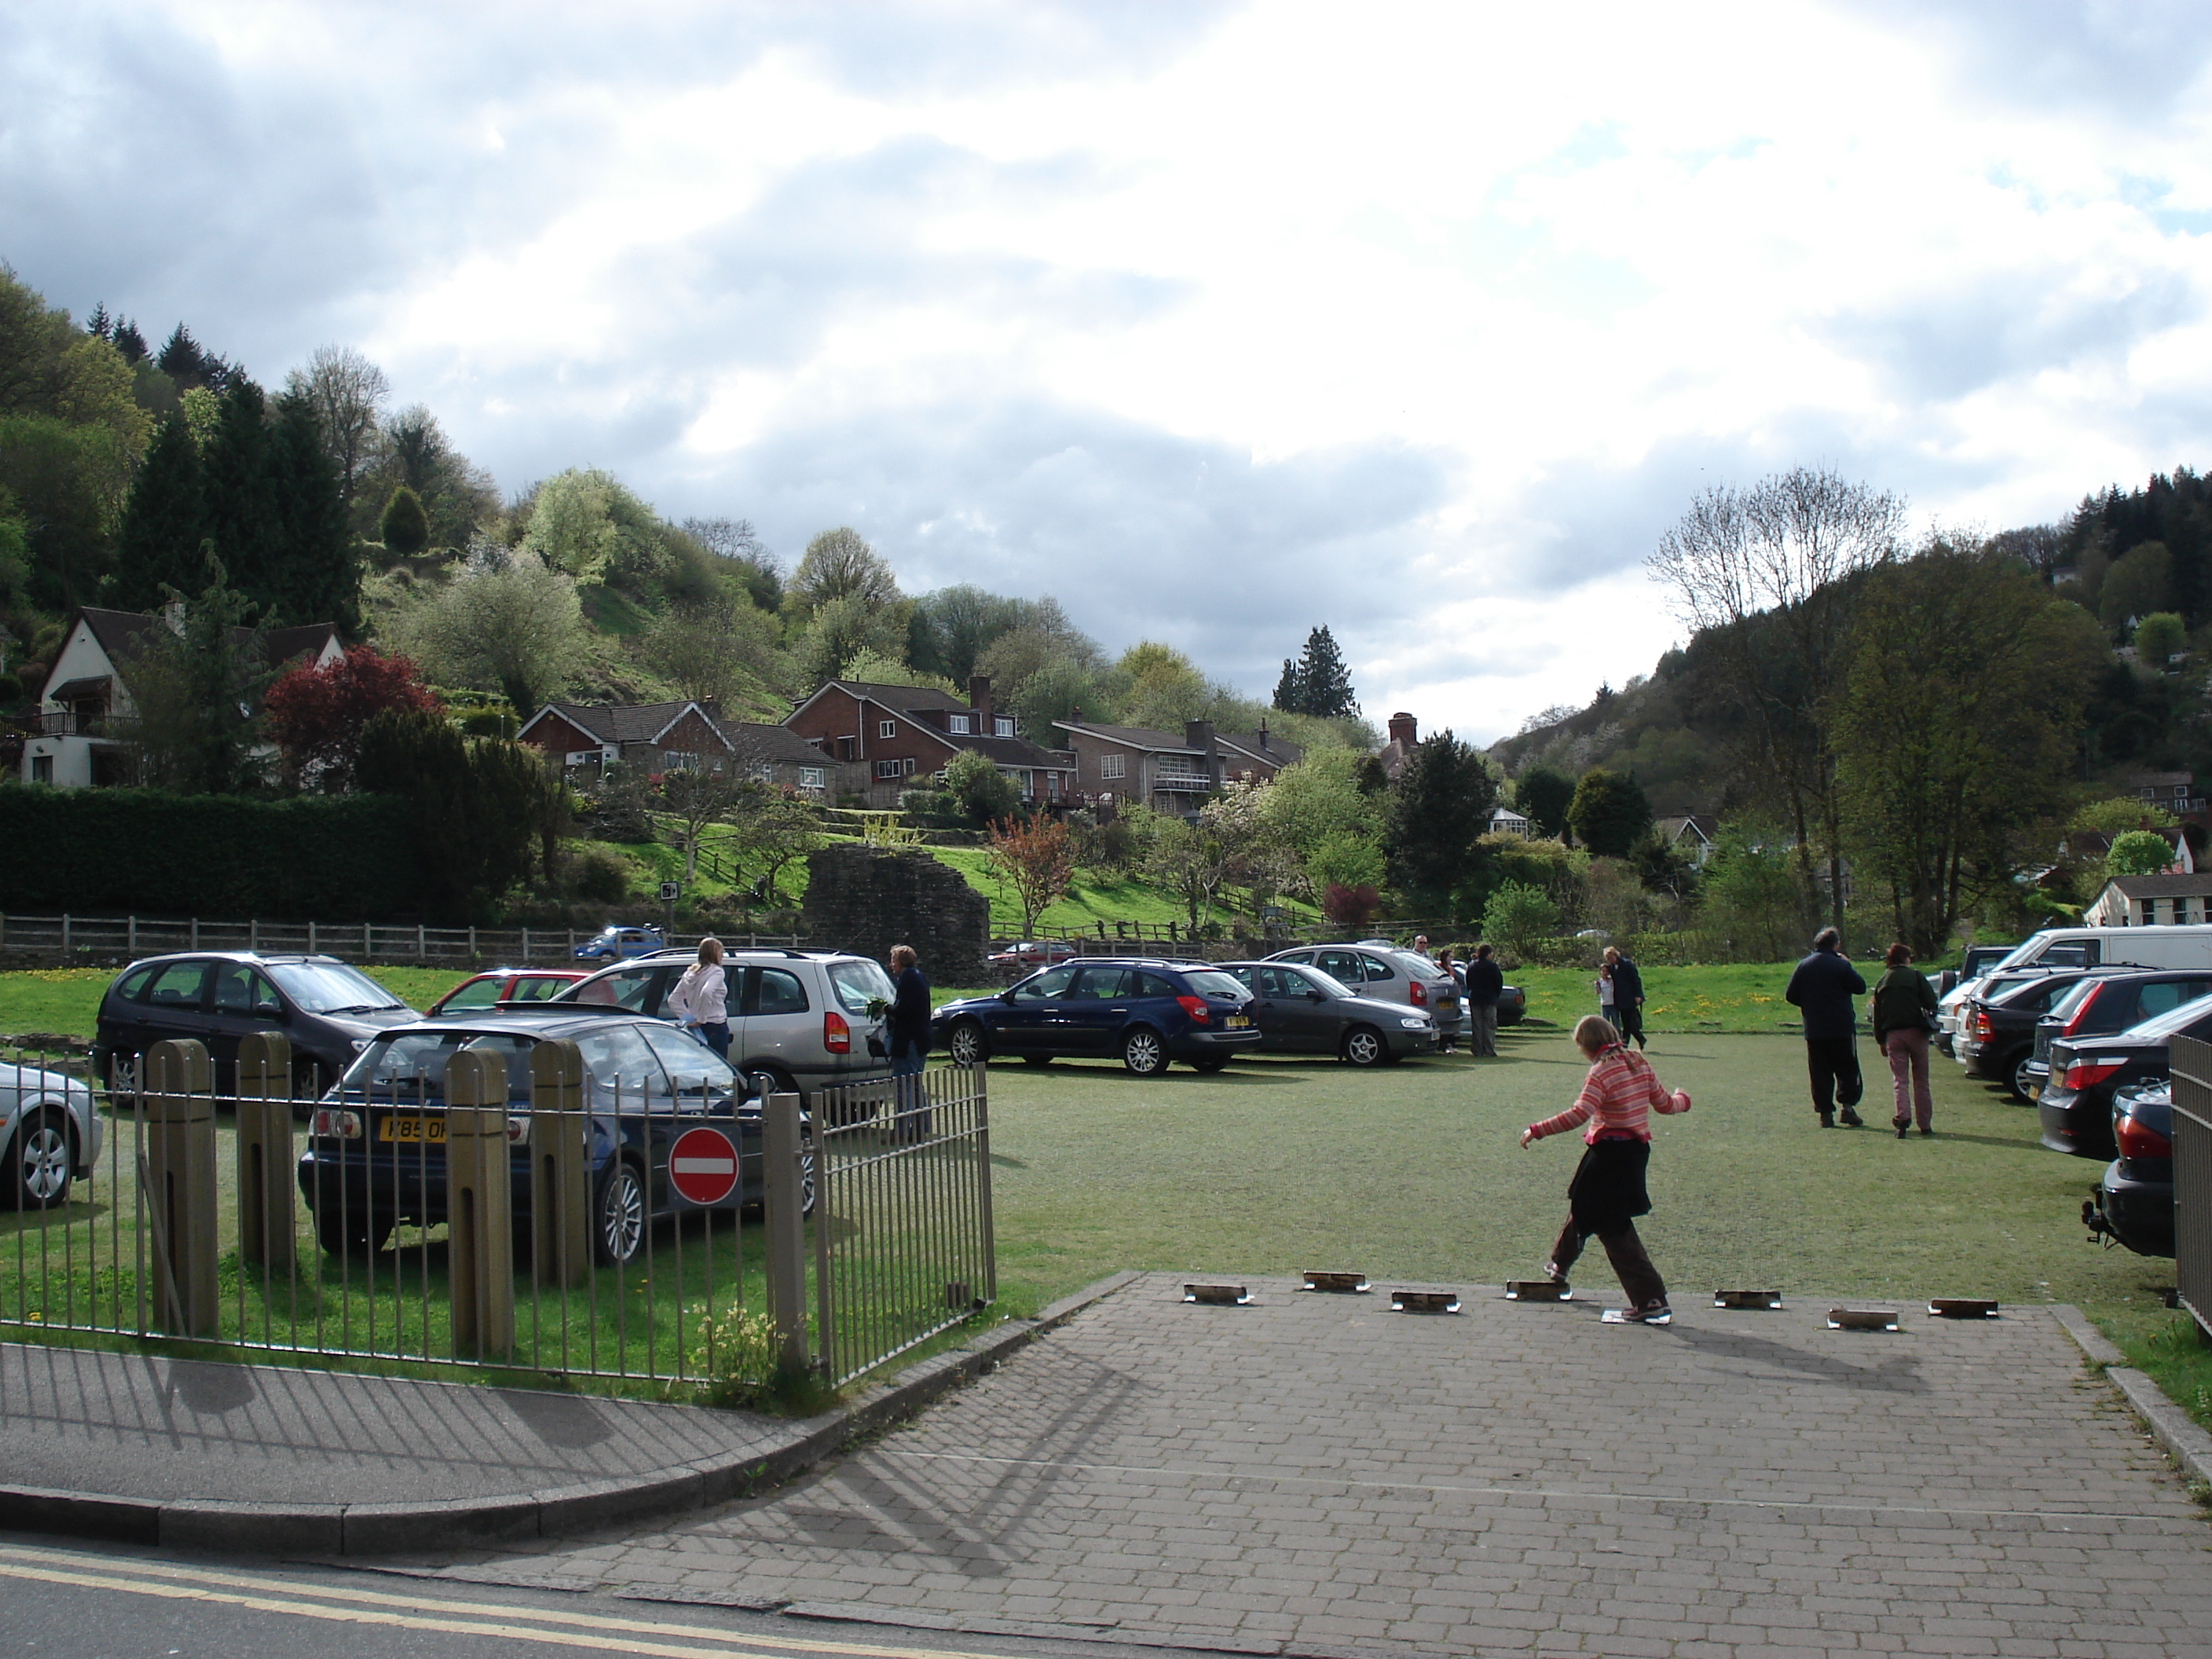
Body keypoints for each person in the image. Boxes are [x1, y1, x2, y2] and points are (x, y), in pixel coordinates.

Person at [1520, 1014, 1691, 1325]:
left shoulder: (1600, 1072)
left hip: (1609, 1153)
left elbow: (1579, 1114)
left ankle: (1650, 1299)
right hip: (1634, 1151)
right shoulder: (1638, 1063)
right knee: (1583, 1202)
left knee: (1613, 1226)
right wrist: (1683, 1100)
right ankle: (1558, 1266)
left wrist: (1537, 1130)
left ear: (1586, 1047)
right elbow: (1665, 1104)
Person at [1784, 927, 1868, 1128]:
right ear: (1835, 944)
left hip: (1815, 1029)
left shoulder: (1803, 966)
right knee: (1848, 1069)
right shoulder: (1840, 965)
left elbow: (1791, 996)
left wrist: (1810, 1006)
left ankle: (1825, 1113)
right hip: (1841, 1028)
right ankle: (1847, 1108)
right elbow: (1860, 987)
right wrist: (1848, 965)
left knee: (1820, 1072)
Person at [1871, 942, 1939, 1138]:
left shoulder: (1883, 981)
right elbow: (1931, 1002)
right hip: (1917, 1033)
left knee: (1900, 1080)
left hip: (1893, 1035)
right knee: (1921, 1080)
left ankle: (1902, 1120)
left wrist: (1880, 1041)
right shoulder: (1916, 976)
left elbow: (1878, 1014)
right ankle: (1925, 1124)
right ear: (1905, 958)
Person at [888, 943, 932, 1139]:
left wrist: (887, 1009)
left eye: (894, 961)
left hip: (909, 1041)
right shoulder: (918, 976)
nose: (892, 965)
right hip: (920, 1039)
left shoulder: (908, 980)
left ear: (901, 962)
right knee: (914, 1085)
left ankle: (902, 1132)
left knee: (904, 1087)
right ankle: (921, 1128)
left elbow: (904, 1009)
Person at [672, 937, 729, 1058]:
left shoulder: (689, 973)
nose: (722, 956)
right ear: (714, 954)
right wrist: (701, 1019)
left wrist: (687, 1018)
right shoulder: (716, 971)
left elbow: (673, 999)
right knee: (717, 1065)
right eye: (721, 952)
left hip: (694, 1028)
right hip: (715, 1025)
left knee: (699, 1064)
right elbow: (707, 992)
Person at [1463, 943, 1503, 1057]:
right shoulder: (1493, 966)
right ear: (1488, 954)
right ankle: (1489, 1049)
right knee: (1489, 1025)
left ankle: (1477, 1050)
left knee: (1477, 1025)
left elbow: (1468, 982)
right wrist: (1496, 995)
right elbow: (1498, 983)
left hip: (1475, 997)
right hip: (1489, 998)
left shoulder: (1472, 966)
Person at [1609, 947, 1646, 1050]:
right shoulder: (1611, 967)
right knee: (1627, 1022)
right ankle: (1641, 1038)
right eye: (1608, 959)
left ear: (1616, 955)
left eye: (1611, 958)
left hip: (1630, 997)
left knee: (1627, 1022)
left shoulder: (1627, 965)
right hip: (1619, 999)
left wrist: (1638, 995)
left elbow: (1636, 980)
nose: (1610, 960)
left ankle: (1625, 1045)